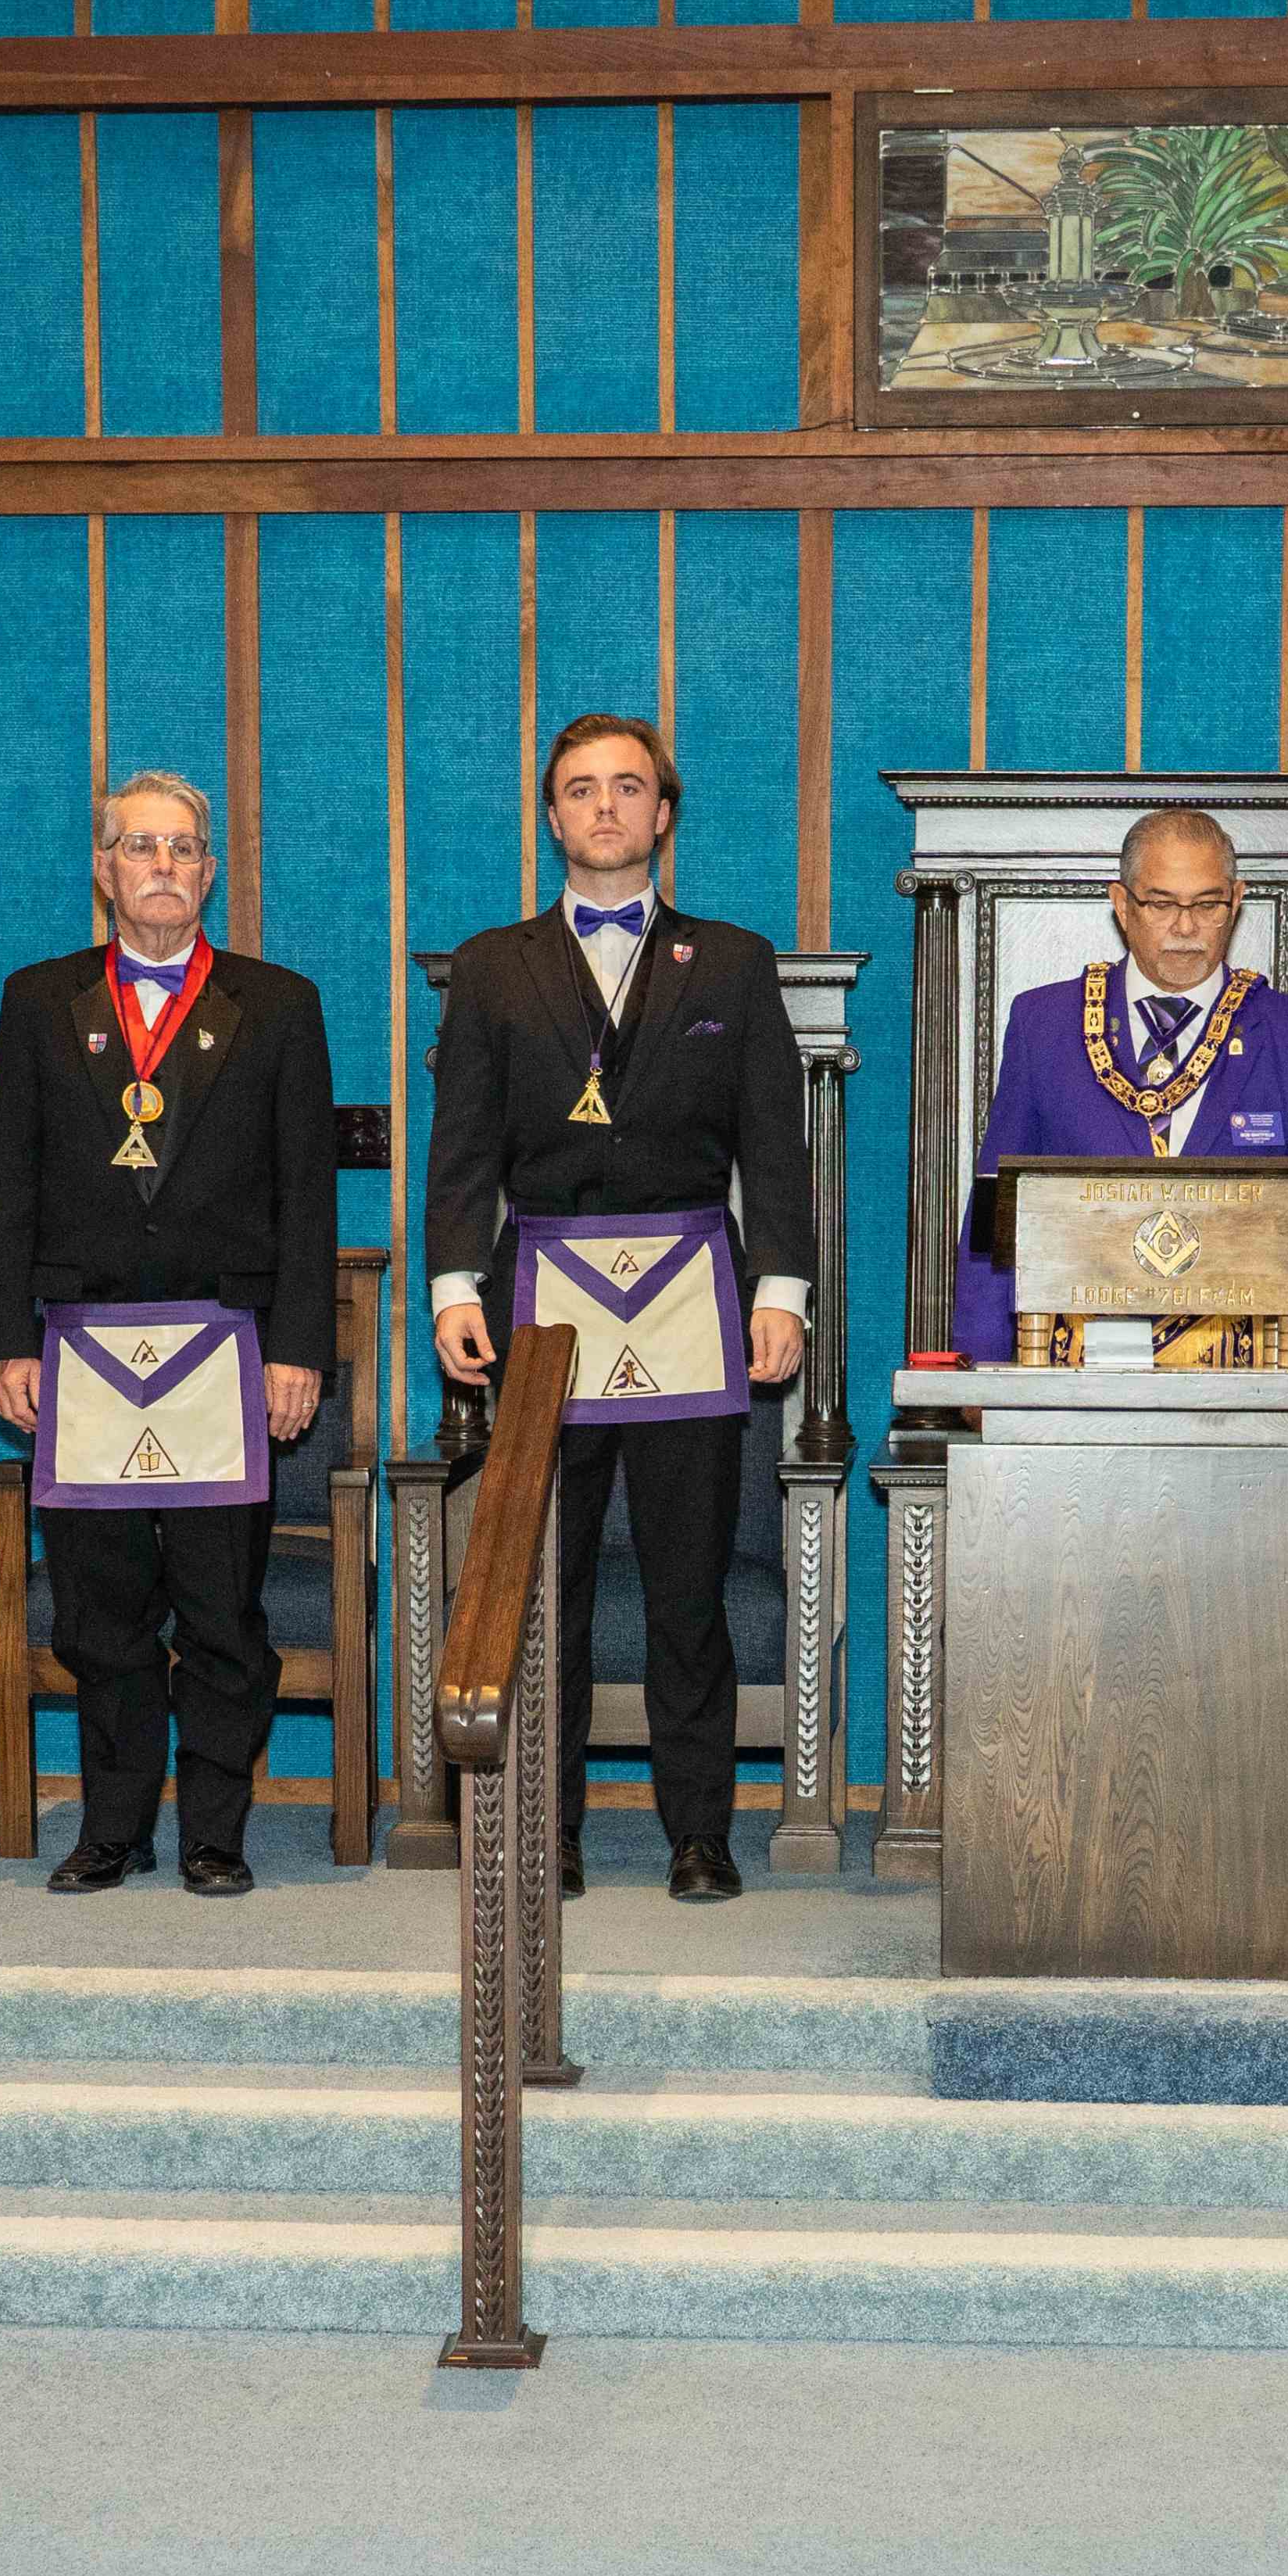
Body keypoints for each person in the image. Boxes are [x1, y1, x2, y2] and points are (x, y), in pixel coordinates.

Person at [423, 712, 821, 1903]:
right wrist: (453, 1286)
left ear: (663, 814)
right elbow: (461, 1152)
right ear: (552, 817)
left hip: (696, 1304)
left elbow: (777, 1151)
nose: (604, 807)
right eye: (580, 789)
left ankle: (699, 1832)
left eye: (627, 788)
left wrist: (783, 1293)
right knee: (547, 1584)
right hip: (542, 1311)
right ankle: (546, 1830)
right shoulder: (494, 964)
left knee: (689, 1586)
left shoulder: (736, 963)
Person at [0, 770, 339, 1898]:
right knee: (100, 1614)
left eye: (185, 848)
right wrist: (7, 1340)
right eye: (142, 848)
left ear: (210, 872)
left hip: (225, 1356)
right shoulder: (39, 1002)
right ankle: (115, 1825)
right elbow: (14, 1187)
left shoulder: (278, 1004)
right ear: (104, 870)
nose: (164, 868)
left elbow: (306, 1197)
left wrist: (300, 1348)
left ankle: (216, 1834)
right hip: (78, 1355)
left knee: (221, 1610)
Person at [949, 806, 1288, 1361]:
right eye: (1162, 903)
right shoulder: (1044, 1023)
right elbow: (997, 1208)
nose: (1185, 927)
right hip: (1073, 1363)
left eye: (1208, 904)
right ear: (1122, 903)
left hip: (1236, 1373)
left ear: (1236, 901)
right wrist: (983, 1361)